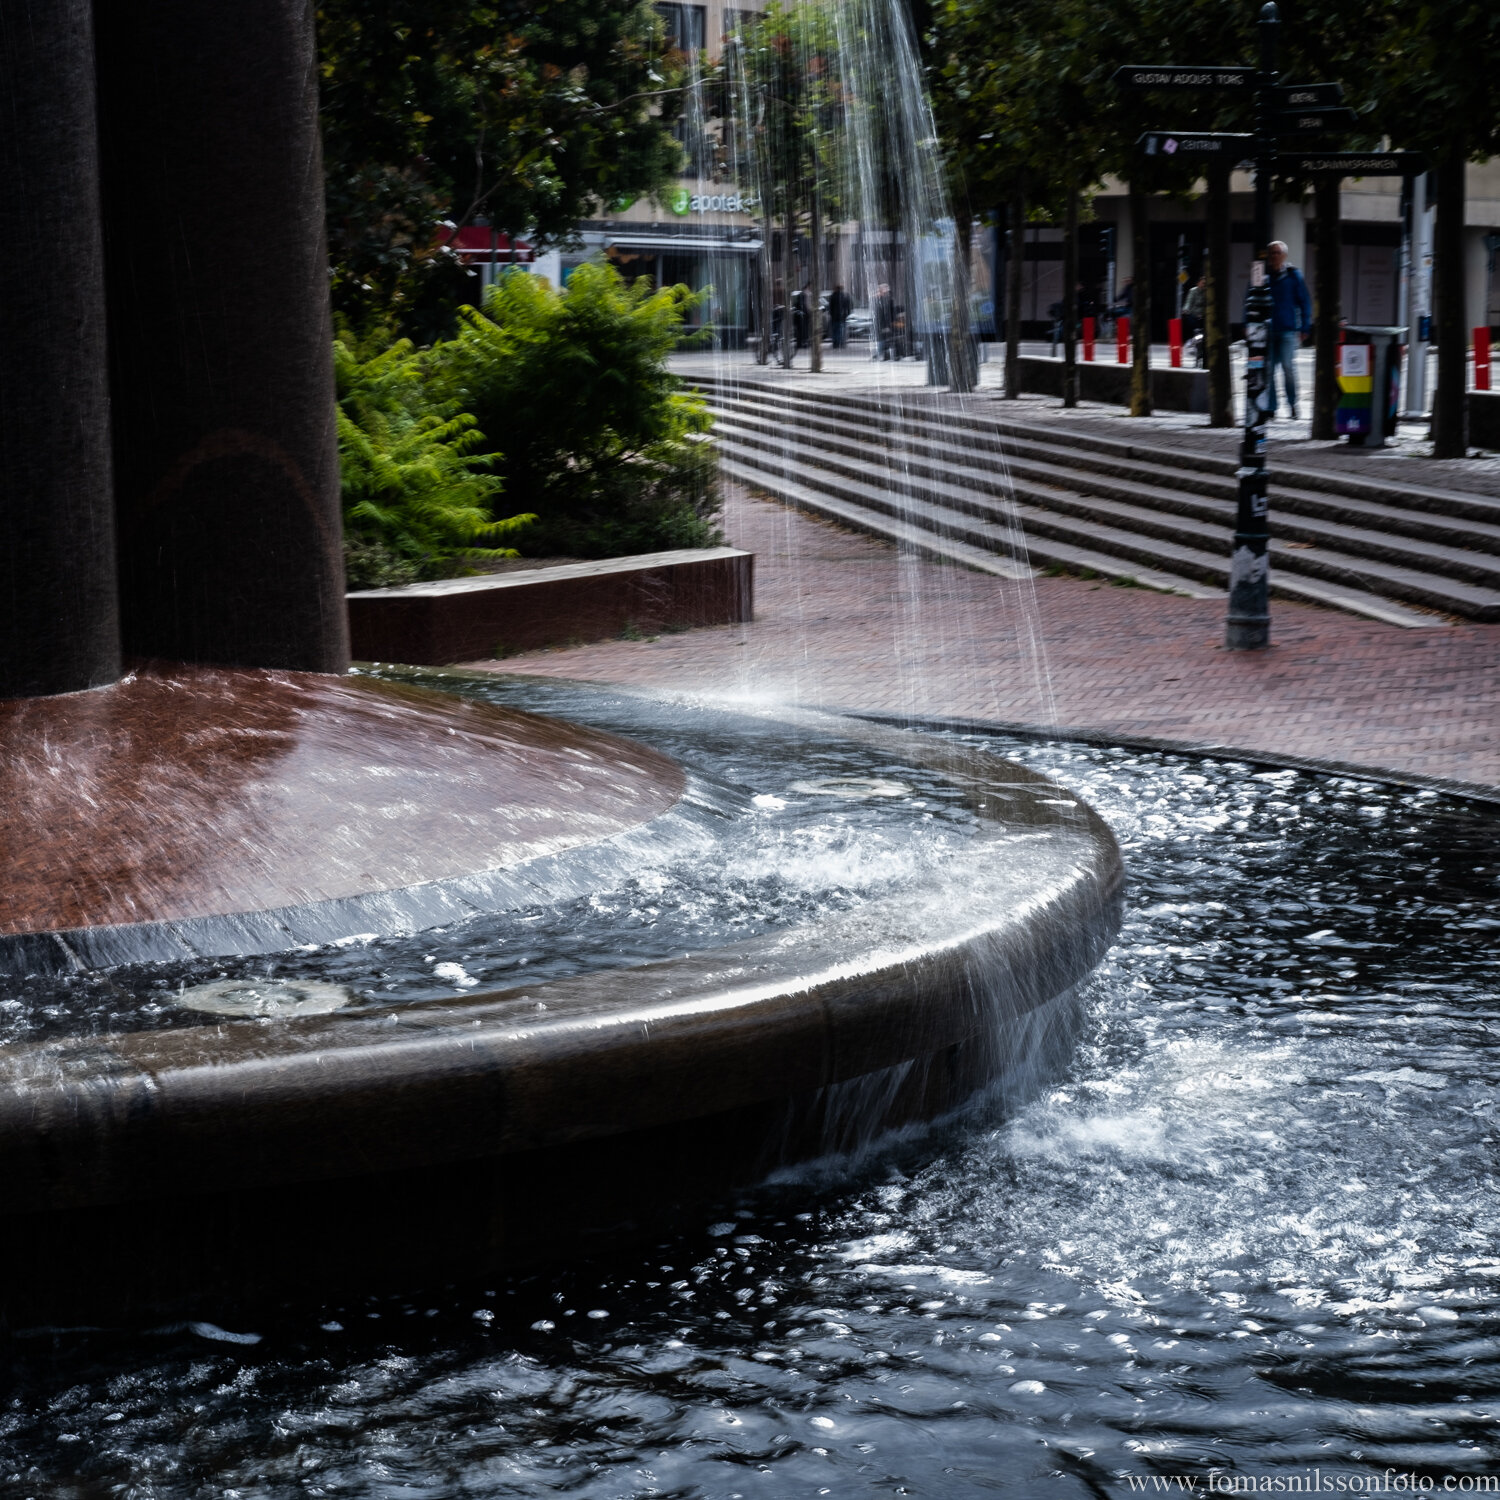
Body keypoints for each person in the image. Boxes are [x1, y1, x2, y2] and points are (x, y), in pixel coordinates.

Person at [1253, 240, 1313, 418]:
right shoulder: (1261, 274)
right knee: (1269, 369)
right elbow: (1250, 298)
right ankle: (1271, 407)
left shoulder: (1294, 275)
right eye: (1271, 253)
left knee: (1288, 367)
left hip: (1288, 329)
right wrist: (1247, 322)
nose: (1274, 256)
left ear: (1284, 256)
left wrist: (1305, 326)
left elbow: (1304, 302)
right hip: (1267, 330)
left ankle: (1293, 404)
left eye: (1277, 253)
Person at [874, 282, 896, 361]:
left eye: (879, 291)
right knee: (884, 338)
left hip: (884, 323)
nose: (877, 292)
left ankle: (881, 354)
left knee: (882, 339)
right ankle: (883, 354)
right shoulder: (883, 299)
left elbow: (886, 313)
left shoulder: (886, 300)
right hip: (882, 323)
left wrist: (886, 325)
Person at [828, 282, 853, 349]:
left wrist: (831, 314)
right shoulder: (845, 296)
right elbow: (849, 306)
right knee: (841, 330)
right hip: (842, 317)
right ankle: (841, 343)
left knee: (835, 330)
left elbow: (830, 307)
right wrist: (847, 314)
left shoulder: (833, 296)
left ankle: (836, 343)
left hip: (835, 317)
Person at [1181, 275, 1205, 340]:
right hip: (1193, 314)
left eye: (1205, 284)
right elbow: (1189, 301)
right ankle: (1192, 340)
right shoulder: (1193, 291)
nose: (1204, 285)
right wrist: (1186, 309)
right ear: (1198, 283)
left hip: (1203, 315)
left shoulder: (1207, 292)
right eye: (1202, 283)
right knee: (1192, 324)